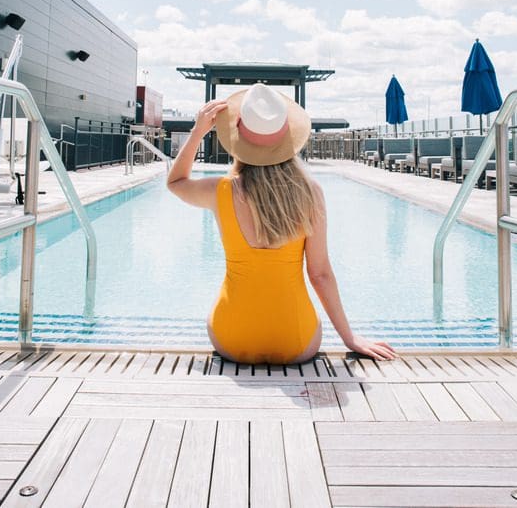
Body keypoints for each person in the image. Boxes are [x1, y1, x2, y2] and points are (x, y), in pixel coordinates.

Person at [167, 83, 397, 364]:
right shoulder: (311, 193)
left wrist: (197, 133)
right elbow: (320, 274)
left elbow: (176, 182)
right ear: (288, 137)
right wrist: (350, 338)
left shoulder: (221, 191)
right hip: (296, 341)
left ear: (237, 138)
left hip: (231, 337)